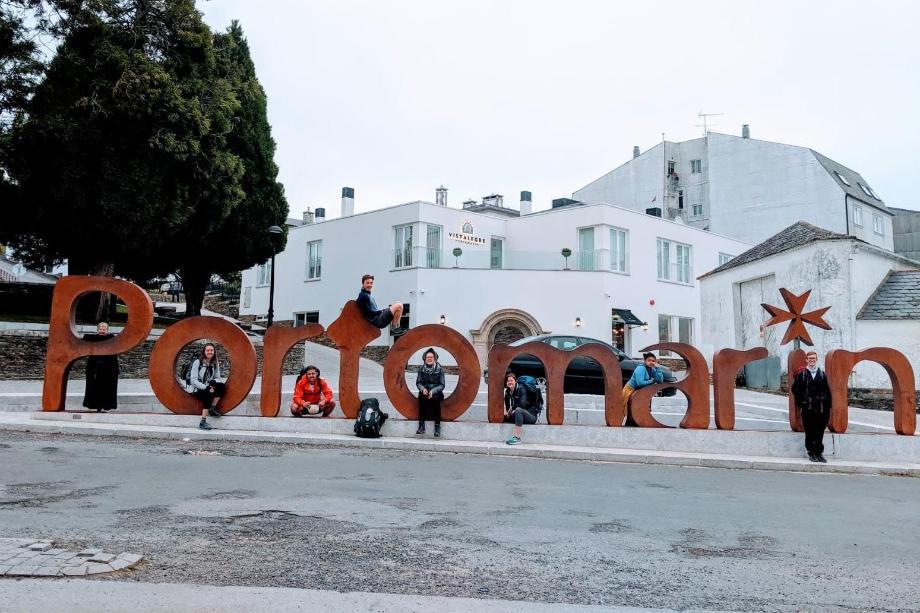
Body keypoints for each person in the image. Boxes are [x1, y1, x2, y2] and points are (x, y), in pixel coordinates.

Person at [791, 350, 832, 463]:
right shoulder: (802, 374)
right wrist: (802, 403)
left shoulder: (822, 374)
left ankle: (819, 453)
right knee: (810, 431)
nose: (812, 360)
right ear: (806, 360)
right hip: (808, 408)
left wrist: (828, 406)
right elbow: (795, 390)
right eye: (810, 359)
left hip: (821, 409)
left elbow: (827, 391)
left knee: (820, 431)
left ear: (816, 359)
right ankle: (811, 453)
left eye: (814, 358)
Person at [185, 343, 226, 430]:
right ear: (204, 351)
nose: (210, 352)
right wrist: (206, 387)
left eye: (211, 350)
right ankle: (202, 422)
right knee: (208, 393)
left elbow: (217, 377)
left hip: (207, 385)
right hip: (196, 388)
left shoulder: (214, 362)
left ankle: (212, 408)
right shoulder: (197, 362)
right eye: (208, 350)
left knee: (221, 386)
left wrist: (213, 383)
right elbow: (193, 380)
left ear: (214, 352)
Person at [82, 322, 119, 412]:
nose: (102, 331)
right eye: (100, 329)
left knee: (106, 388)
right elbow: (85, 337)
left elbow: (111, 337)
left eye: (104, 329)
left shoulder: (111, 338)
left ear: (107, 330)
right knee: (95, 388)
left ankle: (106, 406)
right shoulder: (93, 339)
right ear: (97, 330)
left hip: (108, 368)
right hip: (95, 367)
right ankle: (96, 406)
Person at [621, 352, 665, 421]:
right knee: (628, 409)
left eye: (653, 361)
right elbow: (640, 383)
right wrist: (652, 381)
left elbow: (660, 380)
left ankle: (638, 420)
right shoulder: (641, 368)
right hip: (630, 390)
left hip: (639, 391)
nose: (651, 362)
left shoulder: (651, 369)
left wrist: (658, 369)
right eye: (649, 360)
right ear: (645, 361)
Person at [503, 371, 541, 445]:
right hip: (519, 415)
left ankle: (517, 438)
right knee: (504, 417)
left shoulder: (521, 389)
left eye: (511, 380)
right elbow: (508, 408)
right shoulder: (507, 392)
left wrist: (512, 408)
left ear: (515, 381)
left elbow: (522, 404)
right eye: (508, 381)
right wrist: (508, 412)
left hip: (531, 416)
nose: (509, 382)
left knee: (518, 410)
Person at [415, 348, 445, 437]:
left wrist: (433, 391)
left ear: (434, 358)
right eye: (428, 357)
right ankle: (421, 426)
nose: (429, 358)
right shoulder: (421, 369)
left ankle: (437, 427)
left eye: (431, 357)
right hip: (425, 391)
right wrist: (422, 389)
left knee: (436, 400)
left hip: (436, 392)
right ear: (425, 358)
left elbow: (442, 385)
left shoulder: (440, 369)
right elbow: (418, 383)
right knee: (421, 399)